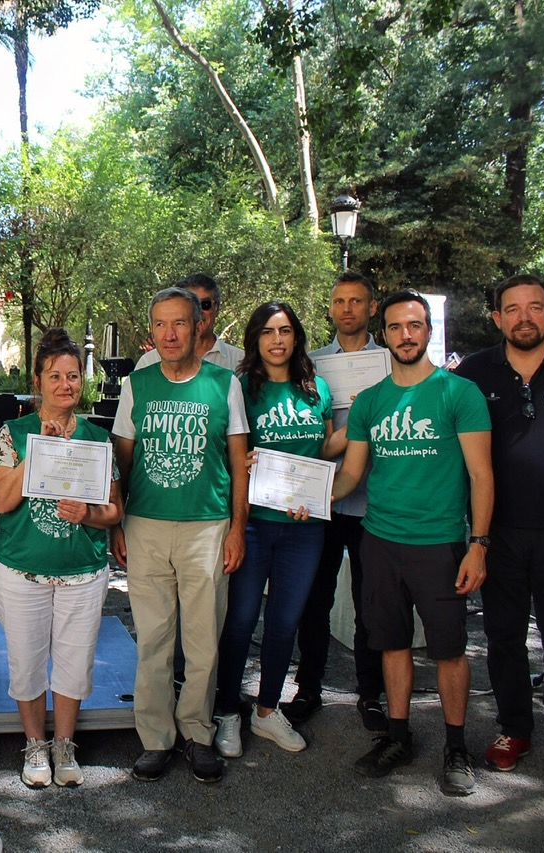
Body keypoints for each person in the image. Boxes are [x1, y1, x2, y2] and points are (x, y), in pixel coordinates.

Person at [332, 289, 492, 796]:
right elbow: (351, 475)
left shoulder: (457, 394)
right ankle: (398, 737)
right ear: (386, 334)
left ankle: (456, 747)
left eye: (415, 326)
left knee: (448, 649)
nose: (406, 335)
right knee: (392, 643)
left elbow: (481, 475)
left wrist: (479, 543)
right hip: (379, 540)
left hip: (440, 542)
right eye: (397, 327)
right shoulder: (372, 401)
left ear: (428, 331)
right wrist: (299, 496)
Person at [111, 287, 250, 784]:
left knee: (203, 640)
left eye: (180, 324)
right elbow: (121, 458)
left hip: (206, 527)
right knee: (153, 639)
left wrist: (237, 528)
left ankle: (197, 733)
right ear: (152, 332)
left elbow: (238, 463)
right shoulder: (137, 385)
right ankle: (154, 738)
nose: (170, 334)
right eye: (161, 325)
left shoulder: (223, 383)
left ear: (198, 329)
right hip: (146, 525)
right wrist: (116, 522)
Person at [455, 274, 544, 781]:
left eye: (534, 307)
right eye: (512, 308)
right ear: (497, 318)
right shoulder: (473, 373)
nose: (523, 316)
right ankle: (514, 728)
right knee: (503, 636)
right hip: (497, 531)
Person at [0, 329, 123, 789]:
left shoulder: (98, 438)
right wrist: (36, 454)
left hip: (81, 573)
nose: (65, 384)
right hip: (21, 569)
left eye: (73, 376)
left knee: (74, 661)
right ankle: (34, 743)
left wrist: (89, 513)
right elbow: (2, 501)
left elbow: (114, 511)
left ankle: (64, 743)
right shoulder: (13, 434)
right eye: (55, 376)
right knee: (25, 660)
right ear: (38, 380)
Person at [214, 302, 338, 759]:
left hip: (304, 528)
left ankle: (267, 710)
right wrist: (241, 464)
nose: (278, 340)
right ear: (255, 339)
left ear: (297, 337)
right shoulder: (242, 387)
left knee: (286, 622)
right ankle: (227, 711)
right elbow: (229, 450)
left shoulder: (316, 388)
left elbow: (324, 449)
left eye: (285, 331)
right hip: (254, 526)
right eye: (268, 332)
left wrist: (362, 420)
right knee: (241, 621)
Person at [285, 271, 386, 731]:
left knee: (371, 603)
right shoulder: (311, 365)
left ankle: (370, 694)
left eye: (357, 301)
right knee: (315, 599)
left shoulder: (389, 362)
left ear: (372, 308)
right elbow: (309, 436)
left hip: (374, 501)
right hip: (322, 500)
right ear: (330, 309)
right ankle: (309, 688)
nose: (347, 309)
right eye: (340, 301)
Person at [133, 273, 244, 373]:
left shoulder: (240, 361)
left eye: (205, 304)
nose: (198, 312)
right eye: (190, 306)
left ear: (217, 308)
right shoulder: (149, 362)